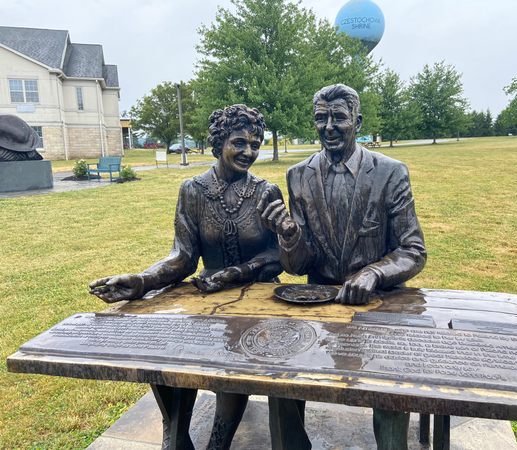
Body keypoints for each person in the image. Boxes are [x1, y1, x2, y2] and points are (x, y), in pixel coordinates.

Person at [90, 104, 283, 450]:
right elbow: (183, 256)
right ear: (219, 142)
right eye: (239, 142)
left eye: (255, 144)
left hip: (259, 296)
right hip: (206, 295)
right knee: (166, 349)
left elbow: (277, 255)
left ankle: (218, 444)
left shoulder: (266, 192)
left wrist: (240, 271)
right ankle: (176, 435)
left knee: (232, 358)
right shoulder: (192, 191)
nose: (249, 152)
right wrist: (143, 280)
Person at [258, 84, 426, 450]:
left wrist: (374, 272)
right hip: (318, 301)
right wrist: (288, 236)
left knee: (389, 381)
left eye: (339, 117)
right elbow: (299, 266)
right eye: (321, 118)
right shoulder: (298, 175)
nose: (329, 126)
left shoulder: (390, 173)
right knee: (279, 373)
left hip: (377, 303)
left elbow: (413, 250)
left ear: (357, 122)